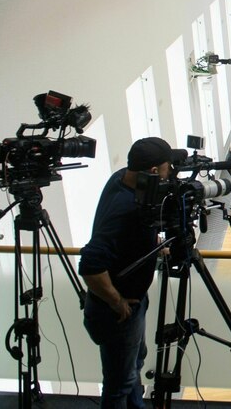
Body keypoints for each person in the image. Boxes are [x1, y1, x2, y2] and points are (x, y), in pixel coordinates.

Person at [79, 137, 183, 409]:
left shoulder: (120, 179)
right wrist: (117, 302)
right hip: (117, 311)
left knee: (133, 367)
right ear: (151, 172)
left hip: (128, 304)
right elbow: (90, 265)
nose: (169, 172)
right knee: (119, 384)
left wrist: (150, 245)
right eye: (166, 168)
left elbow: (126, 238)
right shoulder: (123, 208)